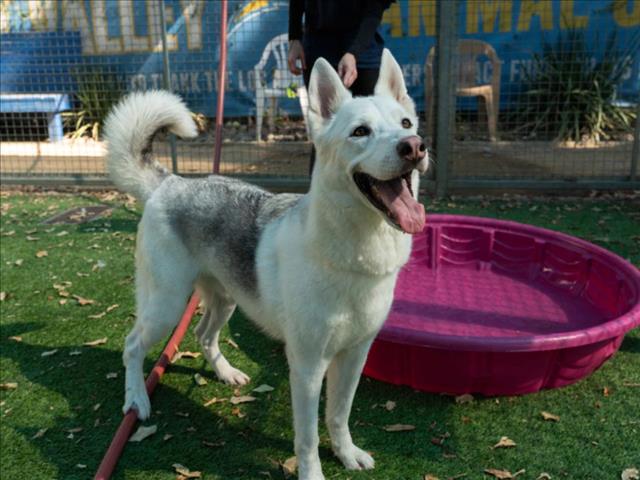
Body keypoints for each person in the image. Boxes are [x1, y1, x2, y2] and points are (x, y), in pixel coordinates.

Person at [288, 0, 395, 174]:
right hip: (318, 44)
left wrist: (354, 52)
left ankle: (375, 193)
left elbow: (374, 9)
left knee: (374, 127)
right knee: (325, 128)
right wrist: (294, 38)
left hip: (364, 47)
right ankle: (320, 198)